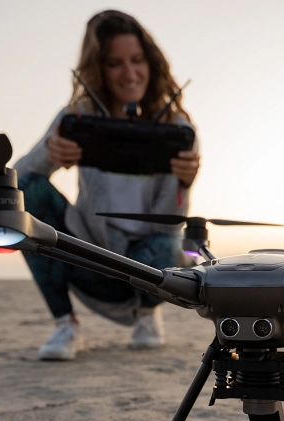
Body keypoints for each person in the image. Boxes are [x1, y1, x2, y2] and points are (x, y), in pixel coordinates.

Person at [14, 10, 200, 361]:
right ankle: (65, 324)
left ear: (151, 62)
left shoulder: (177, 128)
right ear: (98, 68)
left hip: (150, 269)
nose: (129, 74)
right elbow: (17, 180)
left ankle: (147, 314)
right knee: (26, 193)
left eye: (137, 60)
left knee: (170, 241)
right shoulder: (78, 116)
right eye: (115, 63)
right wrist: (51, 151)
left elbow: (169, 226)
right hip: (90, 258)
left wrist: (185, 184)